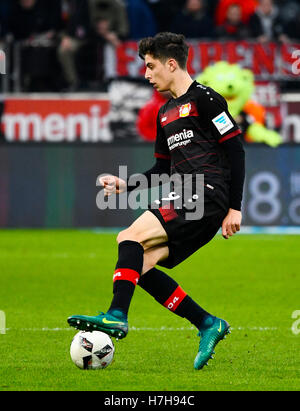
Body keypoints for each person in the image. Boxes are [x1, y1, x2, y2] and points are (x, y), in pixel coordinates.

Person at [68, 32, 245, 370]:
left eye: (150, 67)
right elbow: (162, 167)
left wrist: (234, 207)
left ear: (172, 63)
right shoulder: (165, 113)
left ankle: (117, 315)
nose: (146, 74)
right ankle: (208, 323)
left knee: (128, 237)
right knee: (142, 267)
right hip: (185, 196)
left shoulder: (207, 100)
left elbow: (235, 150)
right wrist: (127, 185)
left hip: (206, 194)